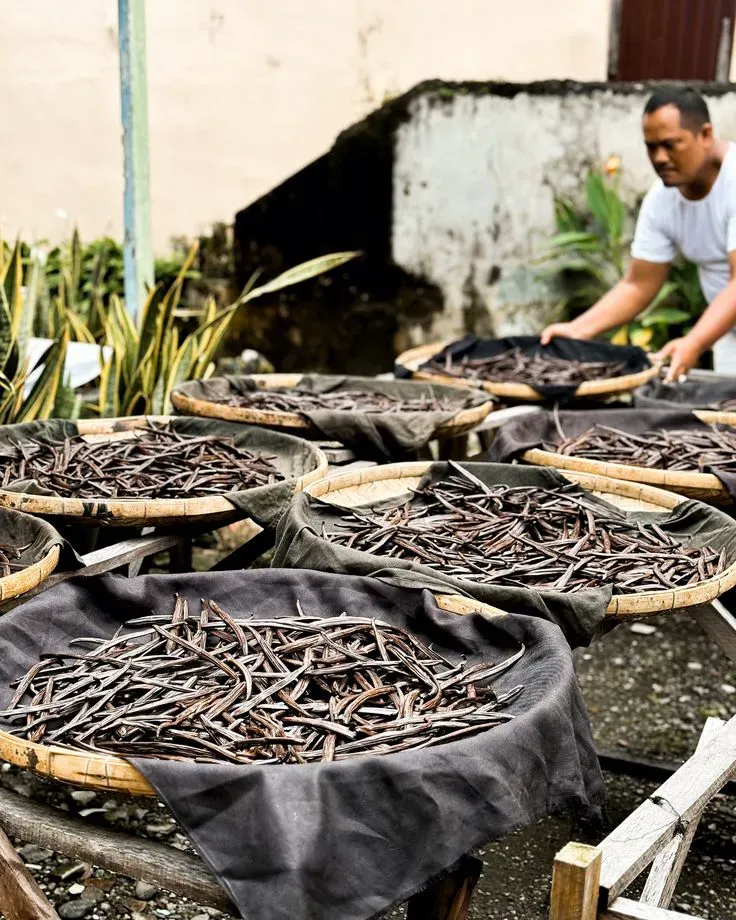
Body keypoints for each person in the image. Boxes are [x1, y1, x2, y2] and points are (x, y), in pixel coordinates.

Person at [541, 87, 736, 382]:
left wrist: (694, 341)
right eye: (651, 147)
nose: (659, 158)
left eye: (671, 145)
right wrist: (577, 331)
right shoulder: (662, 201)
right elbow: (639, 284)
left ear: (705, 135)